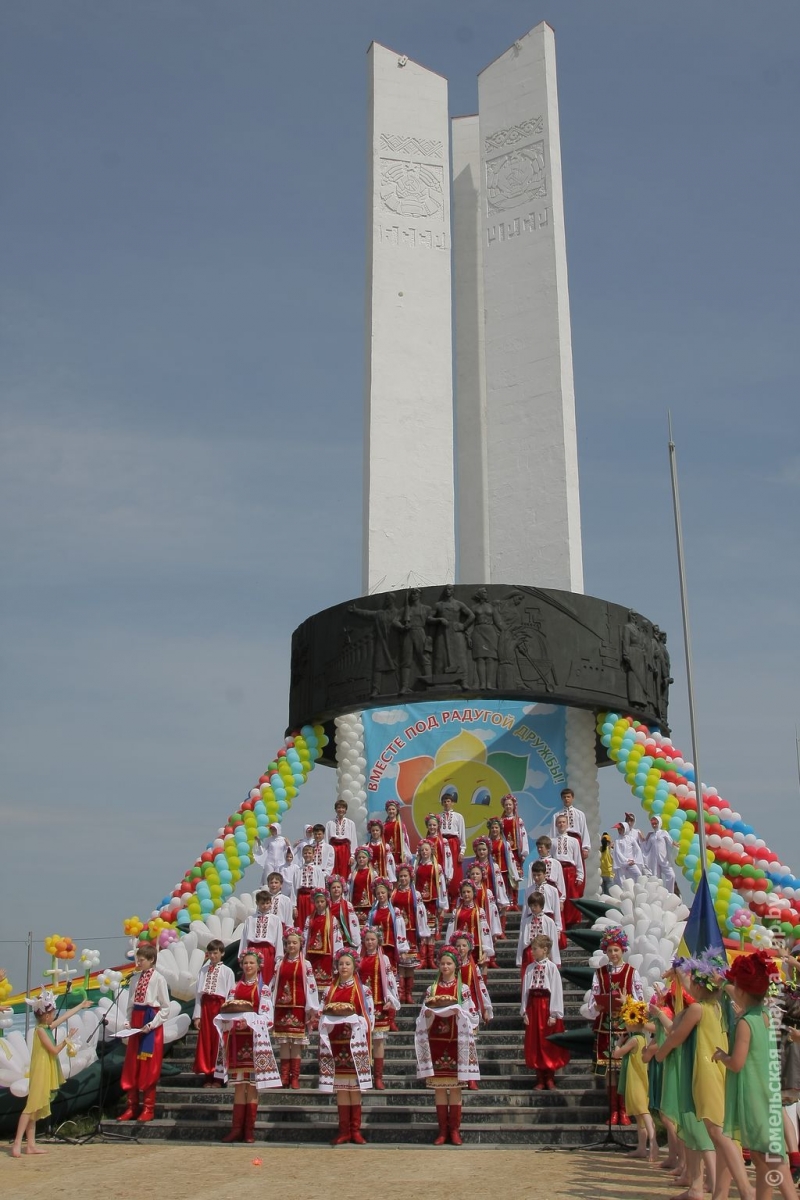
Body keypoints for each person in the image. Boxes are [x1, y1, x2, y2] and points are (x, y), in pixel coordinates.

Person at [714, 950, 797, 1200]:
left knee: (771, 1157)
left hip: (753, 1095)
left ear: (740, 990)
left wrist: (722, 1056)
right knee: (763, 1159)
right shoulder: (764, 1016)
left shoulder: (745, 1022)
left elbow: (737, 1063)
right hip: (767, 1092)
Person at [653, 953, 729, 1200]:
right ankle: (696, 1185)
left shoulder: (697, 1009)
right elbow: (691, 990)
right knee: (693, 1128)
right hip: (705, 1069)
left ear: (699, 985)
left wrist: (661, 1053)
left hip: (702, 1071)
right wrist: (679, 971)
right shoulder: (714, 1006)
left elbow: (676, 1036)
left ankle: (714, 1186)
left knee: (705, 1130)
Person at [11, 990, 90, 1157]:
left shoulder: (47, 1027)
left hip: (46, 1069)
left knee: (36, 1108)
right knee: (31, 1106)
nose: (54, 1016)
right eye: (52, 1013)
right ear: (46, 1016)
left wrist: (81, 1005)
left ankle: (30, 1145)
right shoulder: (40, 1030)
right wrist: (66, 1040)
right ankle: (17, 1142)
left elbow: (64, 1017)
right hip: (40, 1071)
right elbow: (53, 1050)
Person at [415, 946, 480, 1145]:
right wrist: (427, 1014)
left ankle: (455, 1130)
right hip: (436, 1041)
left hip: (456, 1042)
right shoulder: (431, 990)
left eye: (449, 963)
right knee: (440, 1089)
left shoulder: (463, 989)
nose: (445, 966)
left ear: (455, 966)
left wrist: (459, 1012)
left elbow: (472, 1015)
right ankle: (442, 1130)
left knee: (457, 1088)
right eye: (442, 963)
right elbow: (423, 1015)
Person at [214, 949, 281, 1142]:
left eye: (251, 963)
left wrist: (250, 1021)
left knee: (252, 1086)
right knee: (238, 1086)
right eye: (245, 963)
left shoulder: (264, 989)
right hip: (236, 1042)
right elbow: (228, 1010)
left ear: (259, 965)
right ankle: (236, 1128)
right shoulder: (235, 988)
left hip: (254, 1043)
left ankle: (249, 1130)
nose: (248, 966)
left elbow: (268, 1018)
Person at [586, 927, 643, 1125]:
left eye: (616, 950)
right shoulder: (600, 974)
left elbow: (640, 1001)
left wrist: (627, 1001)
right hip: (606, 1026)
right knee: (609, 1070)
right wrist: (598, 1005)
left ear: (623, 950)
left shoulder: (631, 973)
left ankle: (625, 1109)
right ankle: (613, 1110)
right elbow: (592, 1001)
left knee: (625, 1069)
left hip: (624, 1027)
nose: (613, 954)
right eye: (610, 950)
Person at [319, 949, 375, 1145]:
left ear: (354, 966)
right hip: (336, 1044)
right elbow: (322, 1012)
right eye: (341, 964)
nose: (344, 967)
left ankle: (355, 1130)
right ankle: (344, 1130)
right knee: (342, 1088)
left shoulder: (364, 990)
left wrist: (356, 1021)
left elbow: (370, 1017)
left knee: (355, 1089)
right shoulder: (329, 990)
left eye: (347, 964)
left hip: (355, 1043)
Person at [117, 943, 171, 1123]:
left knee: (148, 1065)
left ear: (151, 960)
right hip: (136, 1022)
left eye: (141, 960)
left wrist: (152, 1024)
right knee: (132, 1064)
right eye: (137, 960)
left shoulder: (159, 979)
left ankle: (148, 1108)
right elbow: (131, 1003)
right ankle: (131, 1106)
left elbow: (165, 1008)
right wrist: (128, 1020)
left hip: (150, 1023)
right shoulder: (134, 979)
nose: (138, 963)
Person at [271, 927, 320, 1089]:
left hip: (299, 1008)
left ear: (300, 944)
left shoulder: (306, 964)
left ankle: (295, 1077)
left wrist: (311, 1008)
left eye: (295, 942)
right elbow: (274, 986)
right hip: (282, 1008)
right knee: (284, 1043)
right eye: (289, 943)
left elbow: (312, 986)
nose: (291, 945)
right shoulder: (279, 964)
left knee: (297, 1043)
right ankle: (284, 1076)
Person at [521, 935, 570, 1090]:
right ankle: (539, 1077)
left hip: (547, 1006)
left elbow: (556, 990)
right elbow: (525, 991)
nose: (533, 951)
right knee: (535, 1041)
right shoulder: (529, 968)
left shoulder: (551, 967)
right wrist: (524, 1011)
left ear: (545, 950)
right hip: (533, 1007)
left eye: (535, 949)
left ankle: (550, 1077)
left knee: (548, 1042)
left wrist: (554, 1013)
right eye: (532, 948)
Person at [612, 997, 658, 1160]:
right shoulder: (642, 1038)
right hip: (638, 1077)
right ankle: (641, 1147)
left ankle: (653, 1142)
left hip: (636, 1080)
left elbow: (616, 1054)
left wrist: (618, 1041)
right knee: (640, 1116)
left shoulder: (633, 1040)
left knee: (643, 1111)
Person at [358, 927, 400, 1090]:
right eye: (367, 939)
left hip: (378, 1004)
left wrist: (390, 998)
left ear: (378, 941)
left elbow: (389, 980)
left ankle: (378, 1077)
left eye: (373, 939)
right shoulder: (358, 959)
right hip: (362, 1005)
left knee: (378, 1041)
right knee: (362, 1040)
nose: (370, 942)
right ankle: (364, 1075)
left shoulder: (384, 959)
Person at [193, 939, 235, 1086]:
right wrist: (197, 1016)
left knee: (219, 1041)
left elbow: (231, 993)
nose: (212, 956)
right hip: (206, 1008)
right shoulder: (203, 971)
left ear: (222, 953)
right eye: (210, 953)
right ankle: (207, 1074)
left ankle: (218, 1076)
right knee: (206, 1042)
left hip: (220, 1008)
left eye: (215, 953)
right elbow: (198, 995)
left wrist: (227, 1012)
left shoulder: (227, 971)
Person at [391, 862, 432, 1001]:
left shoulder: (416, 894)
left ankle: (408, 993)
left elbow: (421, 914)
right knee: (400, 963)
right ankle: (401, 992)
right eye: (400, 876)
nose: (403, 879)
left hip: (411, 932)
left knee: (410, 965)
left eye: (405, 876)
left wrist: (423, 932)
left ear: (410, 877)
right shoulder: (393, 893)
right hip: (398, 934)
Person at [444, 880, 494, 976]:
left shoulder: (480, 911)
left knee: (479, 970)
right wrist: (448, 947)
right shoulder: (456, 912)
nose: (466, 894)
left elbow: (484, 931)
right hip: (460, 948)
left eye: (468, 892)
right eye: (464, 892)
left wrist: (485, 950)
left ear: (473, 893)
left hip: (476, 948)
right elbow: (450, 931)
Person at [239, 889, 284, 985]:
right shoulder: (250, 919)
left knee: (267, 977)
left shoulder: (275, 919)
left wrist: (279, 957)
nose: (265, 906)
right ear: (257, 903)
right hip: (252, 949)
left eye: (267, 903)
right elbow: (244, 939)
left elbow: (278, 939)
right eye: (262, 903)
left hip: (268, 951)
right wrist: (242, 956)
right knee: (251, 976)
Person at [549, 787, 590, 894]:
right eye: (564, 797)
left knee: (577, 866)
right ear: (561, 799)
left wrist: (585, 847)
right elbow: (553, 833)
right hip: (560, 841)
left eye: (568, 797)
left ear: (572, 798)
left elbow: (584, 830)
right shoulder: (556, 815)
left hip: (576, 841)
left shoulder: (579, 814)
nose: (566, 799)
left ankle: (576, 892)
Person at [366, 878, 408, 977]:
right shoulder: (372, 913)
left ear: (388, 893)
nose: (381, 895)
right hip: (377, 948)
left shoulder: (394, 911)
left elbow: (400, 931)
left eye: (383, 893)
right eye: (378, 893)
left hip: (390, 947)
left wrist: (402, 950)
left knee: (390, 974)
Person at [414, 837, 447, 959]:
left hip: (432, 902)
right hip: (420, 902)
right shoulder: (416, 866)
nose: (424, 852)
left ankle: (430, 958)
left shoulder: (436, 867)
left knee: (431, 929)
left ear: (431, 851)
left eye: (426, 850)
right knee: (422, 928)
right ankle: (422, 958)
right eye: (422, 850)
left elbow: (441, 885)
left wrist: (442, 903)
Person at [303, 889, 344, 987]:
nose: (320, 904)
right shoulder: (310, 919)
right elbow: (305, 936)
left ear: (326, 902)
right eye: (317, 902)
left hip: (326, 956)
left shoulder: (332, 919)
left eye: (322, 901)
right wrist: (303, 954)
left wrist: (336, 956)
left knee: (326, 982)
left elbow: (336, 938)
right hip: (312, 955)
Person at [552, 813, 585, 927]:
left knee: (571, 895)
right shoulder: (552, 841)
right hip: (557, 870)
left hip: (570, 870)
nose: (561, 824)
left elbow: (578, 858)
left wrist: (580, 875)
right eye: (559, 822)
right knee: (559, 895)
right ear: (556, 825)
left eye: (563, 822)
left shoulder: (574, 841)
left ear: (567, 824)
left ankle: (572, 921)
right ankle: (560, 920)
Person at [466, 862, 503, 963]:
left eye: (477, 874)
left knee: (486, 943)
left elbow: (492, 911)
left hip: (483, 922)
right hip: (470, 923)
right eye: (472, 874)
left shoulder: (487, 892)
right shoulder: (465, 891)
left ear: (482, 875)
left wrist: (494, 929)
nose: (475, 876)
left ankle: (491, 961)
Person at [523, 860, 564, 950]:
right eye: (534, 875)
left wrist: (558, 929)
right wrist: (523, 925)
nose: (536, 878)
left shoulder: (552, 890)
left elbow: (556, 910)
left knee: (547, 948)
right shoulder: (529, 890)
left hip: (547, 921)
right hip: (532, 921)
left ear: (545, 874)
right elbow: (526, 910)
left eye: (539, 875)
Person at [286, 843, 327, 931]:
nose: (307, 855)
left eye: (309, 853)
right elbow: (293, 890)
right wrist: (294, 907)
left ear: (313, 854)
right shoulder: (298, 870)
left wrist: (320, 903)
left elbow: (321, 888)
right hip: (301, 899)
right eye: (305, 853)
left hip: (313, 899)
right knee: (301, 922)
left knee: (313, 921)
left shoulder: (317, 869)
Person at [516, 891, 560, 972]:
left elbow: (553, 940)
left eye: (535, 905)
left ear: (542, 906)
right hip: (528, 954)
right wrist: (519, 959)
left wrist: (555, 960)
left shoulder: (549, 921)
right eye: (531, 906)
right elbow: (521, 941)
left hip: (543, 954)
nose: (533, 908)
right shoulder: (525, 922)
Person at [439, 787, 466, 908]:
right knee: (443, 869)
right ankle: (445, 899)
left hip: (454, 844)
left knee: (455, 870)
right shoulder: (438, 817)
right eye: (444, 801)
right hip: (442, 844)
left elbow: (462, 834)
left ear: (453, 802)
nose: (446, 803)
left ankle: (454, 900)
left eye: (448, 801)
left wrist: (462, 850)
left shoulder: (458, 817)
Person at [487, 817, 520, 915]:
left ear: (500, 829)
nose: (494, 830)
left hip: (503, 870)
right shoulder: (487, 843)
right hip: (491, 872)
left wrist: (514, 873)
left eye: (496, 827)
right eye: (492, 828)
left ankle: (506, 906)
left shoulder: (505, 844)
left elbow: (511, 859)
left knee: (504, 890)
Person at [499, 793, 529, 901]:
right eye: (506, 805)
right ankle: (507, 900)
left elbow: (523, 835)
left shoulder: (518, 821)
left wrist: (524, 852)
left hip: (515, 852)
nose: (508, 807)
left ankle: (515, 901)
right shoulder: (501, 821)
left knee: (515, 875)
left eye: (510, 805)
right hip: (504, 853)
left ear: (513, 806)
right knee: (505, 875)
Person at [640, 815, 677, 892]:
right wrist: (644, 840)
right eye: (652, 824)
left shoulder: (664, 832)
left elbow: (670, 842)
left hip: (664, 859)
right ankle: (659, 893)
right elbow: (647, 848)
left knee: (671, 875)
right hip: (654, 860)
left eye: (655, 823)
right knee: (656, 878)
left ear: (659, 823)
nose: (654, 825)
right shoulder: (651, 835)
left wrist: (674, 844)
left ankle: (670, 893)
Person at [325, 799, 358, 881]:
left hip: (345, 850)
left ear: (346, 810)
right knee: (332, 872)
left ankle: (345, 892)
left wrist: (353, 856)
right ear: (335, 809)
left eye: (343, 808)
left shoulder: (350, 823)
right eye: (339, 808)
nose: (341, 810)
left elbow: (353, 840)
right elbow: (326, 840)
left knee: (345, 873)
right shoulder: (329, 823)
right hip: (333, 849)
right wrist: (326, 854)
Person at [327, 874, 362, 952]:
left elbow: (354, 924)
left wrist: (356, 941)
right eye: (333, 887)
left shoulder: (347, 905)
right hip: (330, 939)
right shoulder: (326, 907)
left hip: (345, 939)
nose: (336, 889)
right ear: (329, 890)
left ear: (342, 889)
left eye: (338, 887)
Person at [533, 835, 566, 909]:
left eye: (541, 847)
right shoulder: (533, 864)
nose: (539, 849)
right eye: (538, 847)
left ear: (548, 848)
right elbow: (530, 882)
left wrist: (561, 900)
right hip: (537, 893)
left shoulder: (556, 863)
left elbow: (560, 882)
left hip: (552, 893)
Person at [349, 845, 378, 927]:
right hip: (355, 905)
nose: (361, 859)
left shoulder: (373, 874)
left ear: (368, 858)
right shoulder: (352, 875)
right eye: (359, 857)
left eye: (363, 857)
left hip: (369, 906)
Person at [424, 813, 454, 891]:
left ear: (438, 826)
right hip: (427, 872)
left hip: (440, 873)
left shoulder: (443, 841)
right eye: (430, 825)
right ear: (427, 826)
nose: (432, 827)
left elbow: (448, 859)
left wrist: (448, 875)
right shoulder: (424, 842)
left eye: (434, 825)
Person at [611, 820, 644, 885]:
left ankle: (636, 888)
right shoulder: (617, 840)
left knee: (638, 874)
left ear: (625, 829)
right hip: (621, 863)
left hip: (631, 862)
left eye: (621, 829)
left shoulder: (631, 839)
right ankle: (623, 892)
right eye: (618, 829)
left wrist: (634, 860)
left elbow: (638, 849)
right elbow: (618, 852)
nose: (619, 831)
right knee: (622, 880)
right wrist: (626, 860)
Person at [383, 799, 411, 865]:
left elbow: (405, 840)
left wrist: (405, 854)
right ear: (387, 811)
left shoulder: (400, 825)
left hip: (398, 855)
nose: (391, 811)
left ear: (396, 811)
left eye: (393, 809)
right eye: (389, 809)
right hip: (387, 855)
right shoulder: (383, 825)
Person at [599, 832, 614, 896]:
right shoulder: (611, 850)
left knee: (602, 895)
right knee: (609, 895)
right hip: (609, 874)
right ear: (609, 842)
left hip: (601, 874)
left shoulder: (599, 850)